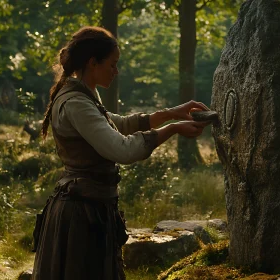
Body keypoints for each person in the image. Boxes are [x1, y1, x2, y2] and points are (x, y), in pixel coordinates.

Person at [31, 26, 210, 280]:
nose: (116, 71)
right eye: (112, 65)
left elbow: (115, 124)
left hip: (90, 207)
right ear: (93, 63)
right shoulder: (76, 102)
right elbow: (122, 149)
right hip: (80, 216)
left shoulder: (86, 93)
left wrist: (171, 113)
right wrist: (172, 129)